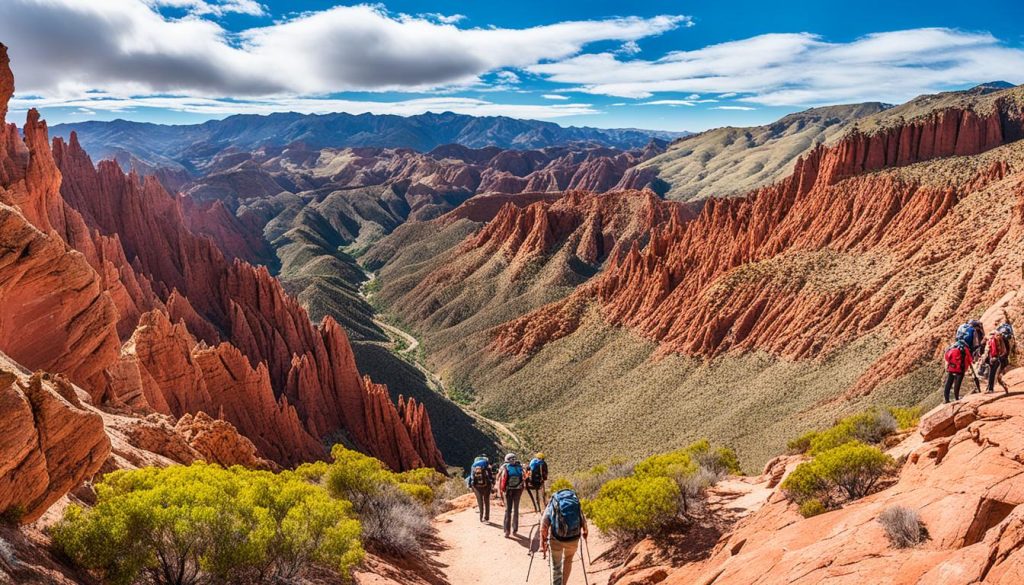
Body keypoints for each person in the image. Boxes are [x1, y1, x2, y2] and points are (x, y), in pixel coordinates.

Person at [540, 489, 588, 585]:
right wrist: (585, 533)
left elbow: (544, 526)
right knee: (568, 560)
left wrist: (543, 542)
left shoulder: (553, 503)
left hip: (556, 538)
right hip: (573, 538)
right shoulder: (575, 503)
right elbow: (583, 521)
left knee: (556, 566)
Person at [496, 453, 525, 537]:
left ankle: (506, 530)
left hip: (508, 491)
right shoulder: (520, 467)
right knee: (516, 510)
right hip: (518, 490)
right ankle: (515, 529)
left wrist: (501, 490)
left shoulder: (504, 467)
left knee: (508, 510)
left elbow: (498, 477)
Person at [985, 323, 1016, 393]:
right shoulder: (1004, 339)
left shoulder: (993, 339)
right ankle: (994, 387)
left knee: (993, 373)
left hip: (995, 358)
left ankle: (991, 388)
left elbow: (988, 350)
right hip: (1000, 358)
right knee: (995, 374)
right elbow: (1006, 351)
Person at [465, 455, 494, 523]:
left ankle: (481, 517)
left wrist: (470, 485)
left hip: (476, 487)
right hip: (487, 486)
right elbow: (490, 477)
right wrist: (492, 483)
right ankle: (486, 517)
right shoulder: (487, 466)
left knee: (480, 501)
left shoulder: (473, 466)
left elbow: (471, 477)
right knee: (486, 501)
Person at [943, 338, 972, 403]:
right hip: (960, 369)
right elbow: (970, 359)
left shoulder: (951, 348)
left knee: (948, 383)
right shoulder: (965, 349)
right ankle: (956, 398)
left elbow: (946, 357)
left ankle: (946, 399)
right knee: (957, 384)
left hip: (951, 368)